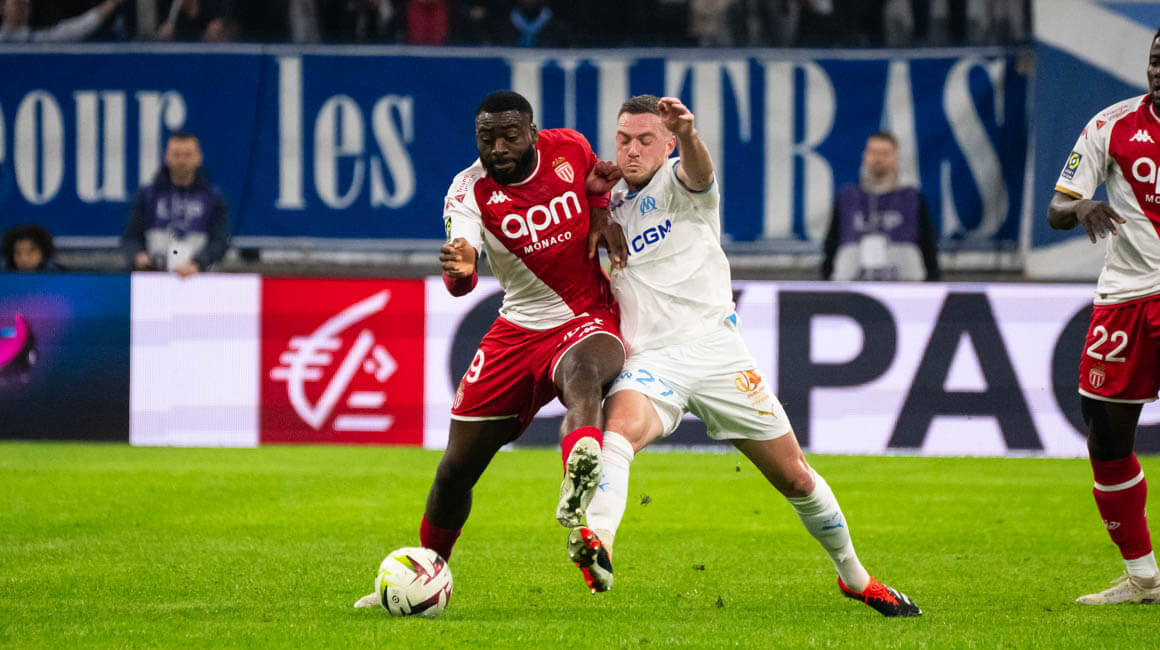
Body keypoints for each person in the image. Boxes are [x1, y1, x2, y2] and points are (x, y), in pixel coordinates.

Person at [570, 94, 921, 617]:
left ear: (667, 145)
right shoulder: (606, 202)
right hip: (652, 359)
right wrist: (594, 200)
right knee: (616, 434)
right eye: (623, 140)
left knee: (796, 477)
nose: (632, 150)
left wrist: (689, 134)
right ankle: (598, 543)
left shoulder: (682, 184)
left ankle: (856, 577)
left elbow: (699, 171)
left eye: (646, 139)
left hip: (718, 354)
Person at [356, 90, 627, 607]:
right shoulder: (468, 192)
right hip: (518, 330)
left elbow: (596, 182)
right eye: (487, 138)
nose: (498, 147)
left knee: (583, 376)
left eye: (510, 136)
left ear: (533, 133)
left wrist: (597, 213)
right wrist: (460, 271)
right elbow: (462, 263)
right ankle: (427, 571)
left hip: (586, 315)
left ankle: (577, 484)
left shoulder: (570, 148)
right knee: (455, 470)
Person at [1048, 28, 1160, 606]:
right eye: (1155, 60)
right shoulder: (1111, 124)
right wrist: (1082, 206)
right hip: (1126, 299)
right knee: (1106, 437)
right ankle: (1144, 579)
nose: (1158, 71)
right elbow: (1057, 208)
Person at [821, 131, 939, 282]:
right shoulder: (847, 198)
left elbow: (928, 245)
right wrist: (827, 283)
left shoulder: (912, 198)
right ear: (865, 156)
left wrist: (933, 282)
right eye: (874, 152)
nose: (878, 159)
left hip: (905, 286)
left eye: (885, 153)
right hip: (852, 285)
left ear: (895, 157)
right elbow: (831, 244)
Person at [122, 130, 230, 279]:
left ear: (198, 157)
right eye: (176, 155)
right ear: (166, 157)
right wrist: (138, 256)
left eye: (188, 155)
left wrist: (199, 263)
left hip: (199, 276)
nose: (182, 161)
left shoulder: (213, 197)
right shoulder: (148, 195)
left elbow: (220, 241)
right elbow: (131, 237)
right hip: (155, 277)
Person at [0, 0, 121, 42]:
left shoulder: (40, 41)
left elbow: (79, 28)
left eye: (25, 5)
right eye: (17, 3)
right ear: (2, 7)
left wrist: (112, 3)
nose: (21, 8)